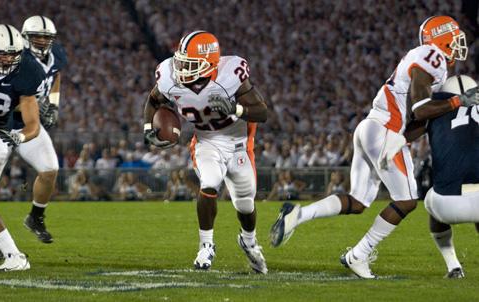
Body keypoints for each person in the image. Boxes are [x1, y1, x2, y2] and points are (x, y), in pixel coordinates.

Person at [270, 16, 478, 278]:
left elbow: (418, 119)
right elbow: (421, 108)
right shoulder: (431, 56)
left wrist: (409, 134)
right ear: (442, 38)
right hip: (384, 131)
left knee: (357, 202)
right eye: (455, 37)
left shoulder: (427, 59)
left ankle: (298, 215)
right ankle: (359, 254)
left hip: (372, 127)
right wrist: (458, 101)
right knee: (407, 201)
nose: (459, 44)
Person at [143, 31, 268, 273]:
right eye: (181, 61)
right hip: (206, 140)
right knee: (209, 184)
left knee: (245, 203)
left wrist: (236, 108)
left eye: (189, 64)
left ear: (209, 63)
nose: (181, 68)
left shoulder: (230, 75)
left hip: (238, 142)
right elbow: (153, 100)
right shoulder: (169, 77)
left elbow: (262, 112)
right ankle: (206, 245)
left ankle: (249, 241)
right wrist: (149, 128)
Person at [385, 75, 479, 278]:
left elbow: (406, 133)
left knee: (430, 201)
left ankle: (453, 266)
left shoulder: (435, 109)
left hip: (448, 204)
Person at [0, 24, 41, 270]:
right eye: (2, 54)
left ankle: (6, 250)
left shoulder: (27, 70)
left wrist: (20, 137)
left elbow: (33, 124)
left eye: (14, 55)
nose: (8, 60)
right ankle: (8, 251)